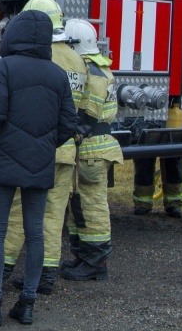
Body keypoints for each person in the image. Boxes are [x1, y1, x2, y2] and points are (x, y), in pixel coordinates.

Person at [0, 0, 87, 296]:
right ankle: (28, 303)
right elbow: (68, 124)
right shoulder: (58, 73)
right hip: (41, 161)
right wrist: (46, 143)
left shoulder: (5, 68)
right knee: (37, 232)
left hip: (2, 163)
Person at [59, 19, 124, 282]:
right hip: (89, 150)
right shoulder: (94, 66)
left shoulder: (94, 71)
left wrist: (73, 130)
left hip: (92, 150)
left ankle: (95, 263)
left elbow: (89, 113)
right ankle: (84, 257)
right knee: (80, 206)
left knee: (92, 206)